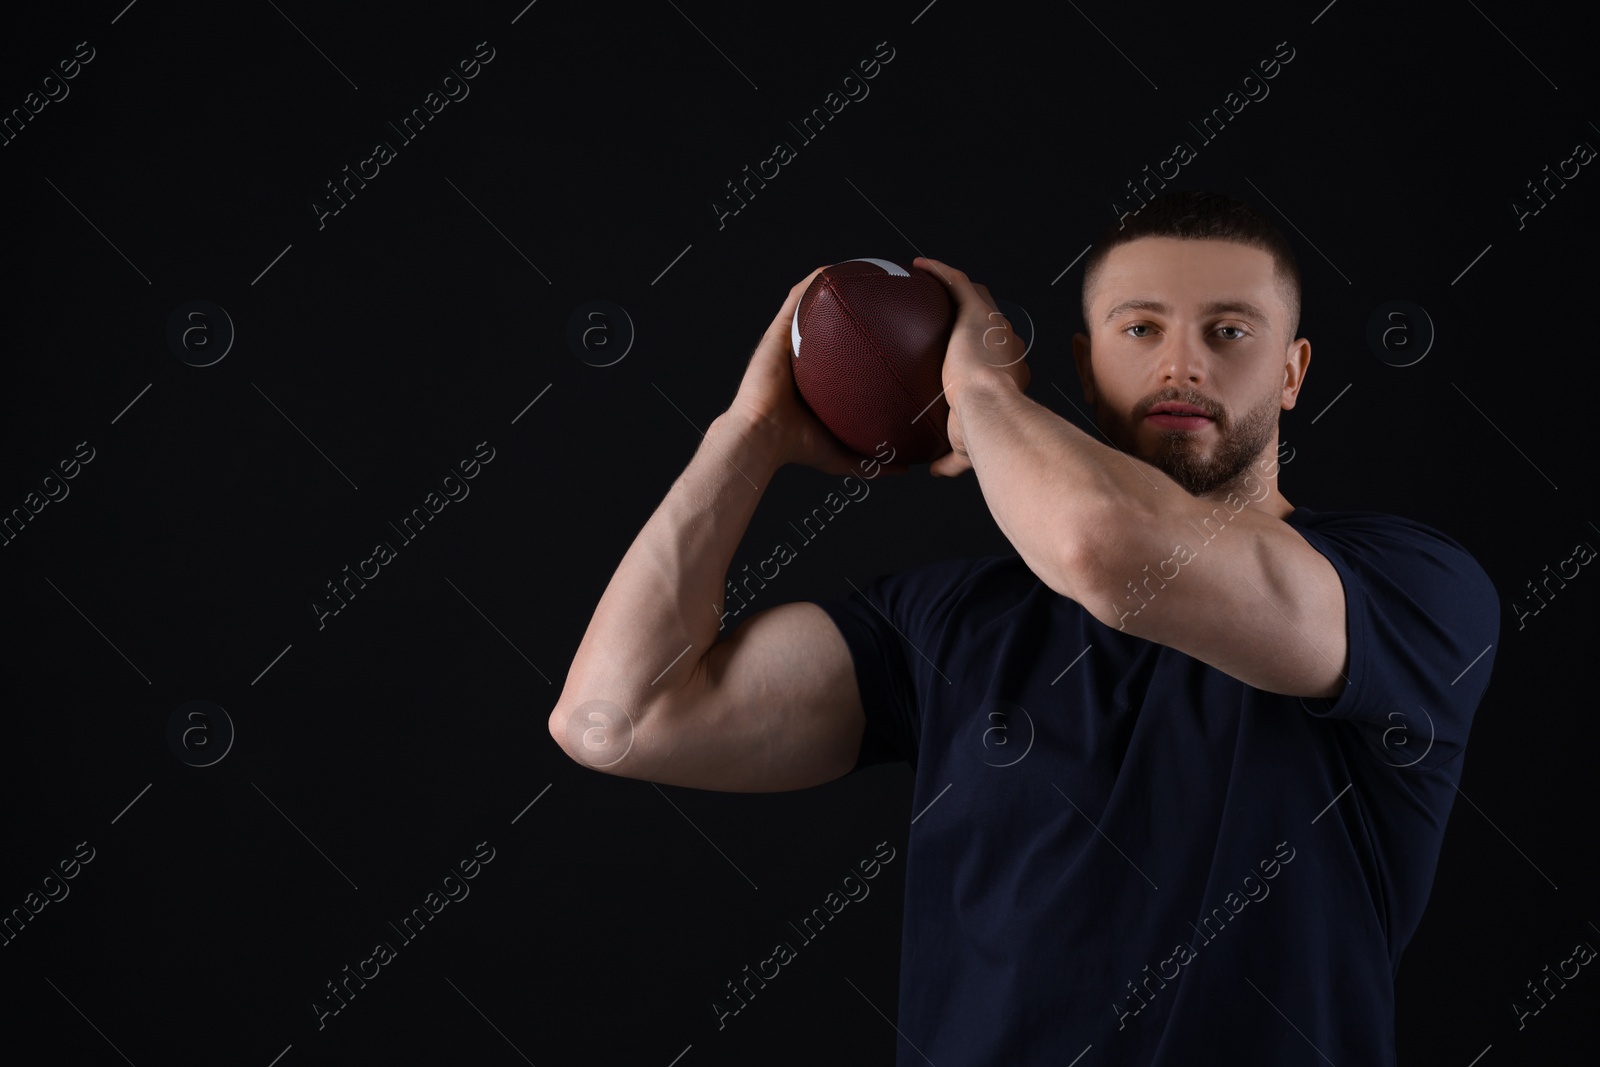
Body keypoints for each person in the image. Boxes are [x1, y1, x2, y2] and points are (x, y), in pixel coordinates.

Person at [549, 190, 1500, 1064]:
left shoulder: (1409, 589)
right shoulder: (950, 622)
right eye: (1141, 327)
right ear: (1086, 367)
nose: (1182, 362)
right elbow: (616, 716)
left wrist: (986, 398)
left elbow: (1105, 549)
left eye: (1230, 329)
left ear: (1293, 373)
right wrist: (748, 434)